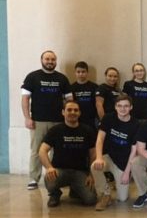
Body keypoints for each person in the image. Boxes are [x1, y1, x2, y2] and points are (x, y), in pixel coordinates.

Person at [21, 50, 72, 190]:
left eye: (53, 59)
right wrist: (27, 118)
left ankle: (56, 177)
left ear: (56, 61)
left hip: (58, 121)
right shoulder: (32, 77)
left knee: (58, 150)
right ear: (42, 60)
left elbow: (69, 100)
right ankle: (33, 178)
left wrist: (68, 119)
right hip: (38, 121)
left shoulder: (62, 78)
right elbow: (25, 98)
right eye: (47, 59)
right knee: (36, 150)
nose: (50, 61)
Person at [38, 100, 96, 207]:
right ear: (63, 112)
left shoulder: (88, 130)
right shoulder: (55, 130)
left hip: (80, 172)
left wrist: (91, 174)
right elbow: (42, 151)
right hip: (60, 171)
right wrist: (49, 167)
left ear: (79, 113)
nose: (72, 112)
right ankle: (55, 193)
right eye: (69, 110)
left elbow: (93, 154)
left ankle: (75, 189)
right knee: (49, 179)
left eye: (76, 110)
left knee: (91, 200)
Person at [91, 95, 140, 211]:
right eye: (120, 106)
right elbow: (100, 139)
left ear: (131, 107)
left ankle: (117, 182)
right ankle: (105, 194)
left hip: (124, 162)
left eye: (126, 106)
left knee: (122, 198)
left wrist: (127, 172)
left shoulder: (136, 124)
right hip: (109, 157)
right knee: (95, 166)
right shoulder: (108, 118)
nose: (123, 109)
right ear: (115, 107)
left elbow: (135, 150)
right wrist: (98, 157)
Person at [70, 61, 98, 130]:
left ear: (87, 72)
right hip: (77, 118)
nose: (81, 74)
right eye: (78, 72)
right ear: (75, 73)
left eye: (83, 72)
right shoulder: (71, 87)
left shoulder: (95, 87)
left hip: (91, 119)